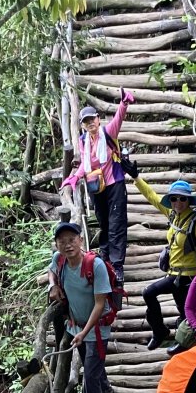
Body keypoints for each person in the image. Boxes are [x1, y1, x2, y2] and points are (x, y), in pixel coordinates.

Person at [48, 221, 114, 393]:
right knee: (89, 366)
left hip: (97, 329)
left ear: (80, 240)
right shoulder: (59, 261)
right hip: (77, 326)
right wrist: (53, 286)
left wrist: (84, 333)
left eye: (72, 240)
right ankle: (106, 390)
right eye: (62, 242)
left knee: (90, 377)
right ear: (57, 245)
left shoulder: (95, 266)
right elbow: (51, 271)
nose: (68, 245)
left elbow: (99, 304)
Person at [134, 176, 196, 350]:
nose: (178, 202)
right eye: (174, 198)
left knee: (186, 311)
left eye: (182, 198)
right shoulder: (174, 215)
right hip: (173, 275)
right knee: (148, 293)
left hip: (189, 278)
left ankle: (184, 343)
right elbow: (154, 198)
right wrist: (136, 178)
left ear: (188, 200)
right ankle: (160, 331)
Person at [61, 90, 135, 282]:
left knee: (117, 223)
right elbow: (85, 167)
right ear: (83, 125)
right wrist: (74, 178)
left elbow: (119, 119)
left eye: (92, 119)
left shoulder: (107, 132)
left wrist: (124, 104)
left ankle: (117, 265)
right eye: (86, 121)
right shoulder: (83, 141)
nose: (90, 123)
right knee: (104, 222)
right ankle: (105, 257)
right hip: (96, 188)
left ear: (98, 119)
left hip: (114, 184)